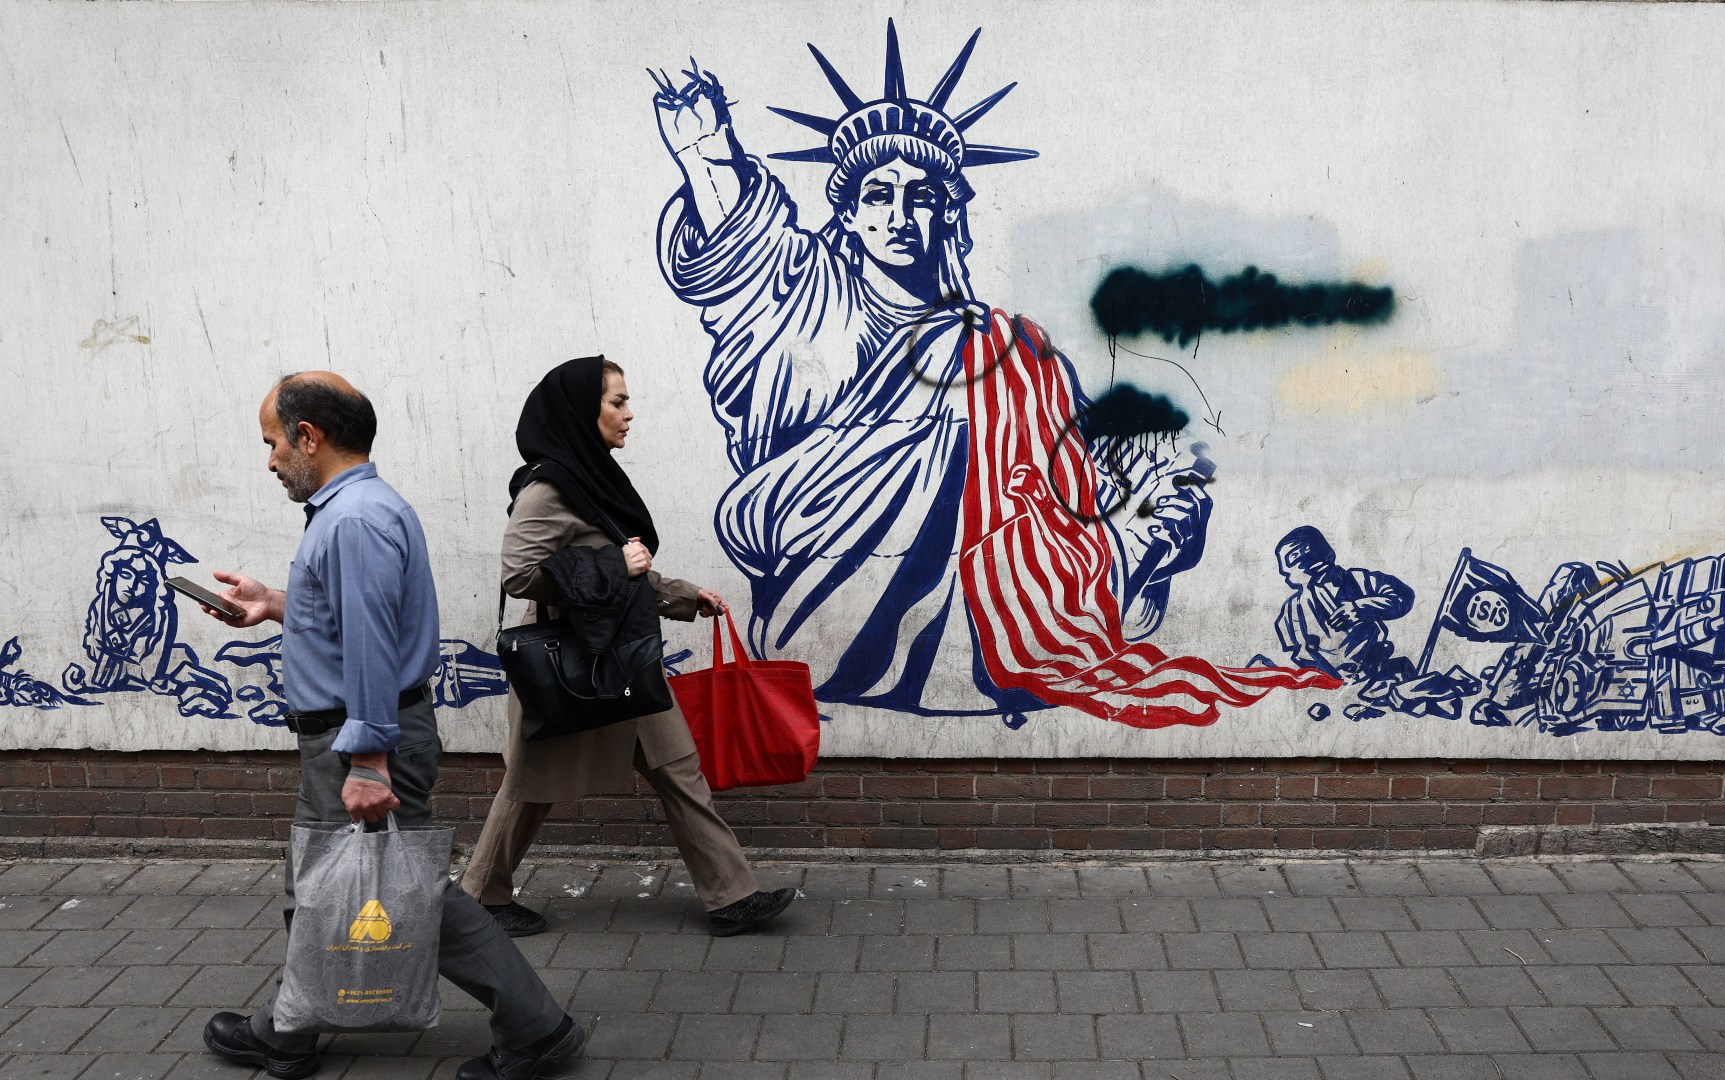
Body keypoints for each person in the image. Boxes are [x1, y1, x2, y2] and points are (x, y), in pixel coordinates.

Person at [652, 28, 1336, 728]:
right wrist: (708, 157)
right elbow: (742, 249)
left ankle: (1029, 622)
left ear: (948, 211)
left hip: (994, 600)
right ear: (849, 214)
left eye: (921, 196)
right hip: (813, 567)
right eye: (879, 195)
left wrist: (1154, 490)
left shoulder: (1010, 347)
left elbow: (1073, 464)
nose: (899, 216)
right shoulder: (806, 294)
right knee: (956, 428)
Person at [195, 372, 583, 1080]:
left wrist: (368, 760)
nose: (271, 459)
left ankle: (535, 1027)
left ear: (309, 437)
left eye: (273, 442)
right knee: (337, 883)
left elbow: (371, 645)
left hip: (360, 737)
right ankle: (287, 1029)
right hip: (356, 733)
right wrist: (274, 603)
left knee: (406, 892)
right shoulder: (362, 508)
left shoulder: (352, 520)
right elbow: (350, 615)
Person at [461, 355, 795, 939]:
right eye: (616, 401)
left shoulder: (591, 477)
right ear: (579, 411)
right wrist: (617, 564)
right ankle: (479, 897)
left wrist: (686, 596)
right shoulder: (548, 488)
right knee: (531, 785)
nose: (628, 413)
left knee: (678, 767)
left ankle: (731, 896)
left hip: (626, 654)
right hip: (574, 663)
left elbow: (623, 570)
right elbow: (520, 573)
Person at [1273, 525, 1417, 686]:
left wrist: (1360, 608)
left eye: (1288, 560)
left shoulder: (1358, 579)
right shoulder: (1291, 609)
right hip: (1330, 684)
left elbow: (1404, 597)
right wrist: (1332, 677)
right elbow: (1296, 655)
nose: (1284, 571)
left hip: (1377, 672)